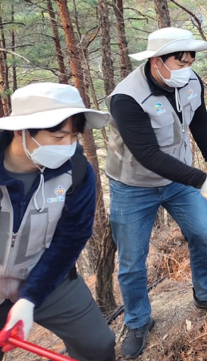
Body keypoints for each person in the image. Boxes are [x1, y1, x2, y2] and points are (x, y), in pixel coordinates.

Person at [105, 27, 207, 359]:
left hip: (179, 178)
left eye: (191, 60)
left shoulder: (190, 82)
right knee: (132, 261)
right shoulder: (127, 98)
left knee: (204, 234)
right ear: (156, 61)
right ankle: (137, 322)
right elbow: (147, 154)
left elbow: (199, 120)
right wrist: (200, 181)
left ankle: (205, 294)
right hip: (133, 186)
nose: (187, 67)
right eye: (180, 61)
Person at [0, 83, 115, 361]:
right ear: (22, 130)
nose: (67, 146)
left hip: (48, 272)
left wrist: (30, 297)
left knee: (98, 345)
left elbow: (71, 238)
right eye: (57, 136)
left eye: (72, 136)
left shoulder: (76, 172)